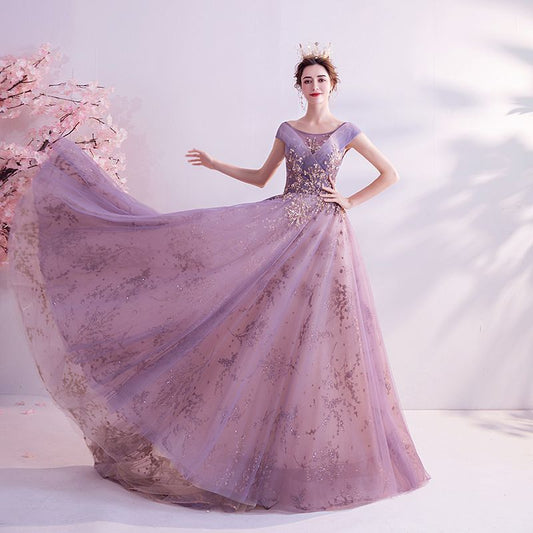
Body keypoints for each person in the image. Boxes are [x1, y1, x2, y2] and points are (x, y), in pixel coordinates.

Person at [8, 42, 431, 514]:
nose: (315, 86)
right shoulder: (287, 130)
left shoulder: (347, 131)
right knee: (269, 325)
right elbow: (262, 178)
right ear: (299, 87)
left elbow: (390, 173)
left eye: (321, 80)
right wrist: (214, 164)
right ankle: (263, 451)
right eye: (307, 80)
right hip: (283, 229)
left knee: (322, 331)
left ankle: (314, 453)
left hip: (328, 237)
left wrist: (349, 201)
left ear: (333, 85)